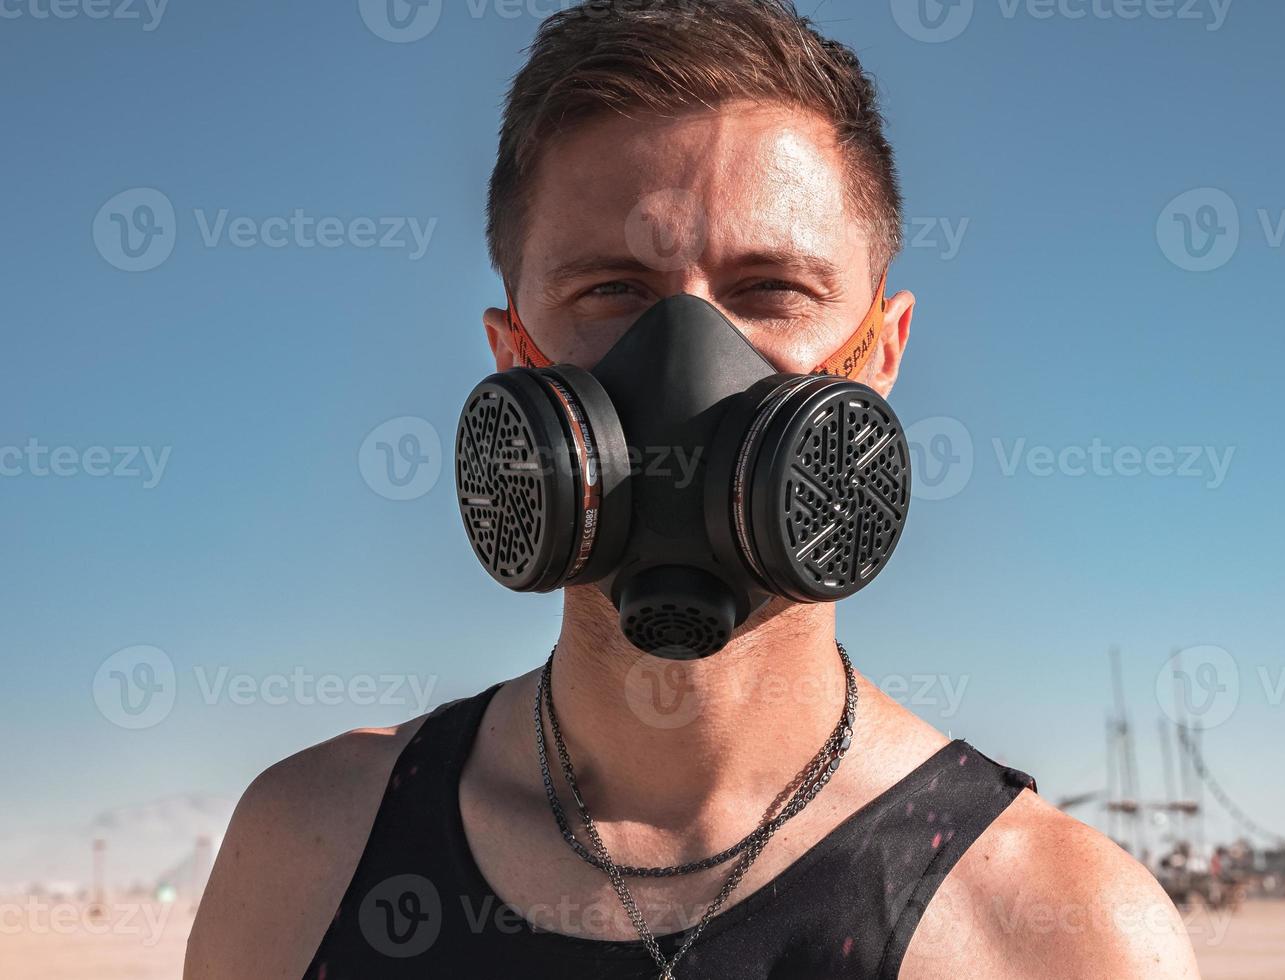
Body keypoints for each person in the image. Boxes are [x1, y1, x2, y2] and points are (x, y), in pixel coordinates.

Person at [184, 2, 1199, 977]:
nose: (684, 359)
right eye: (610, 290)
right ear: (511, 356)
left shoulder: (1058, 930)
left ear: (880, 350)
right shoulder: (311, 841)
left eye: (770, 289)